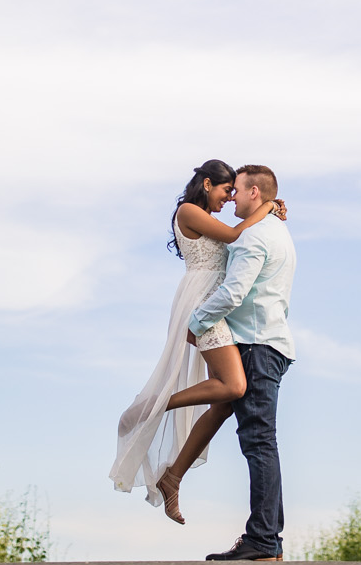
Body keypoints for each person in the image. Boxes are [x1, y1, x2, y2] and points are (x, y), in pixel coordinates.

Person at [109, 160, 284, 521]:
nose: (229, 198)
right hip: (203, 303)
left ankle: (172, 478)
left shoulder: (208, 217)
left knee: (223, 402)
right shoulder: (188, 210)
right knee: (235, 385)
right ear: (207, 184)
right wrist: (267, 206)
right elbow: (238, 237)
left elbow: (237, 236)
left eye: (235, 192)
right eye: (226, 191)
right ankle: (154, 406)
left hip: (217, 304)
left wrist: (265, 208)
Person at [187, 164, 295, 561]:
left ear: (255, 194)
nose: (232, 197)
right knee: (263, 442)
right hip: (274, 343)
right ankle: (269, 539)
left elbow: (233, 293)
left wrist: (196, 322)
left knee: (258, 443)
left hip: (255, 345)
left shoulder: (253, 238)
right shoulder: (279, 233)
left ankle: (263, 540)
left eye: (238, 191)